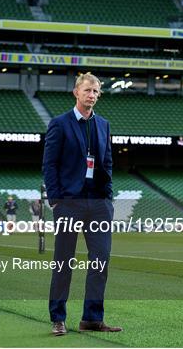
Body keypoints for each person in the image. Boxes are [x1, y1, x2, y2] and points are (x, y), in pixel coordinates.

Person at [43, 73, 121, 336]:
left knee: (101, 261)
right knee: (64, 262)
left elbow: (107, 162)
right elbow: (49, 164)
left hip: (98, 203)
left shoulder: (104, 125)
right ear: (76, 92)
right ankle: (58, 318)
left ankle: (92, 318)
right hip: (69, 203)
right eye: (88, 90)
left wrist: (107, 197)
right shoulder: (59, 124)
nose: (92, 95)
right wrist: (55, 200)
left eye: (96, 91)